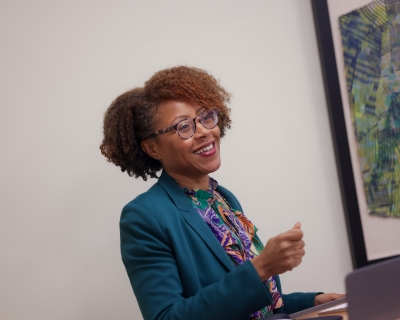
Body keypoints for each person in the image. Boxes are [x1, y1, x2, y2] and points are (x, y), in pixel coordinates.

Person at [100, 66, 344, 320]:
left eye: (206, 117)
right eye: (183, 126)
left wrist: (312, 301)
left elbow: (251, 303)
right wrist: (261, 267)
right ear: (152, 148)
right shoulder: (144, 216)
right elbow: (168, 317)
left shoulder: (223, 198)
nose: (205, 131)